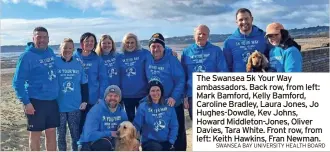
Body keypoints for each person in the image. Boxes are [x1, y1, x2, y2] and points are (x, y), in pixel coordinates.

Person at [12, 26, 59, 151]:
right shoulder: (26, 56)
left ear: (48, 39)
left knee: (51, 133)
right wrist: (26, 103)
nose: (42, 40)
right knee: (35, 135)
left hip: (52, 101)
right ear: (33, 38)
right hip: (35, 101)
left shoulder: (50, 52)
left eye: (45, 37)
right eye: (39, 37)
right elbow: (17, 82)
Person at [145, 33, 186, 151]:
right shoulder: (147, 58)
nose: (156, 49)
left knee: (177, 131)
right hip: (157, 103)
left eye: (159, 46)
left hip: (173, 102)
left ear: (163, 47)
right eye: (153, 46)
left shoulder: (171, 59)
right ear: (149, 48)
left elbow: (180, 80)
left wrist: (174, 97)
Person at [181, 25, 228, 120]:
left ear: (208, 36)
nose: (201, 36)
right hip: (193, 95)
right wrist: (184, 97)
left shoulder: (216, 51)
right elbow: (183, 76)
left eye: (204, 34)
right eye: (199, 34)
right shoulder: (186, 52)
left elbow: (223, 72)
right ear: (194, 35)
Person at [55, 38, 89, 151]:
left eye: (70, 48)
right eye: (65, 48)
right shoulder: (55, 62)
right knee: (60, 136)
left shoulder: (78, 63)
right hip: (58, 106)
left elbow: (84, 84)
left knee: (75, 135)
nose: (67, 50)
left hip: (75, 106)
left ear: (73, 49)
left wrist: (85, 101)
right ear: (60, 49)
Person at [73, 32, 108, 135]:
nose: (89, 43)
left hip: (93, 99)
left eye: (92, 41)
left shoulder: (97, 59)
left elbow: (103, 80)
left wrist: (101, 98)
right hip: (76, 99)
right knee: (77, 128)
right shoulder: (74, 57)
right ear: (81, 43)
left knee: (91, 126)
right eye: (87, 41)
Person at [78, 85, 128, 151]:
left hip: (111, 142)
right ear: (105, 97)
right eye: (110, 95)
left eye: (116, 96)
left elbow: (126, 132)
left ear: (119, 98)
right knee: (105, 144)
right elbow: (89, 136)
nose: (113, 98)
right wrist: (110, 133)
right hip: (89, 144)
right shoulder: (96, 110)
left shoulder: (122, 113)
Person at [133, 80, 178, 151]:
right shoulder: (143, 107)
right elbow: (136, 126)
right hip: (149, 142)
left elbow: (174, 126)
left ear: (161, 92)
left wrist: (171, 141)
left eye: (158, 90)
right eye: (152, 91)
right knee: (156, 148)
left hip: (166, 142)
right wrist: (136, 141)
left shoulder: (168, 106)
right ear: (149, 93)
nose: (155, 93)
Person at [117, 33, 150, 122]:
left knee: (144, 121)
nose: (130, 45)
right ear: (124, 44)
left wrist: (170, 51)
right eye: (127, 42)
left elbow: (157, 49)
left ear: (136, 43)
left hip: (142, 94)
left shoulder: (143, 53)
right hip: (127, 95)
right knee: (130, 121)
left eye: (132, 42)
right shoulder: (119, 56)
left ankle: (142, 136)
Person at [223, 8, 269, 72]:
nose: (244, 22)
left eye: (246, 19)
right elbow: (227, 66)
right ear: (236, 22)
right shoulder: (229, 42)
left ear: (252, 19)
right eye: (241, 20)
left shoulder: (264, 37)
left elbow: (273, 58)